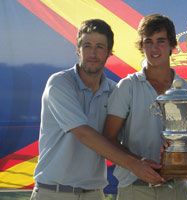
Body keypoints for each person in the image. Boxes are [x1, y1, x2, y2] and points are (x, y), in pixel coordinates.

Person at [31, 19, 152, 200]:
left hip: (94, 194)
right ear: (78, 49)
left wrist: (145, 162)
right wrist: (135, 165)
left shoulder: (113, 91)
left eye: (100, 47)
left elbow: (121, 140)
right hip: (53, 192)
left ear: (109, 52)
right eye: (87, 46)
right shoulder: (59, 83)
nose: (93, 53)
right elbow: (82, 133)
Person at [103, 14, 187, 200]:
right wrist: (138, 164)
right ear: (141, 46)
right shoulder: (127, 86)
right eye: (148, 41)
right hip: (134, 188)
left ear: (172, 45)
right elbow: (108, 139)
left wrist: (178, 160)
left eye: (161, 41)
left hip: (176, 188)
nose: (154, 48)